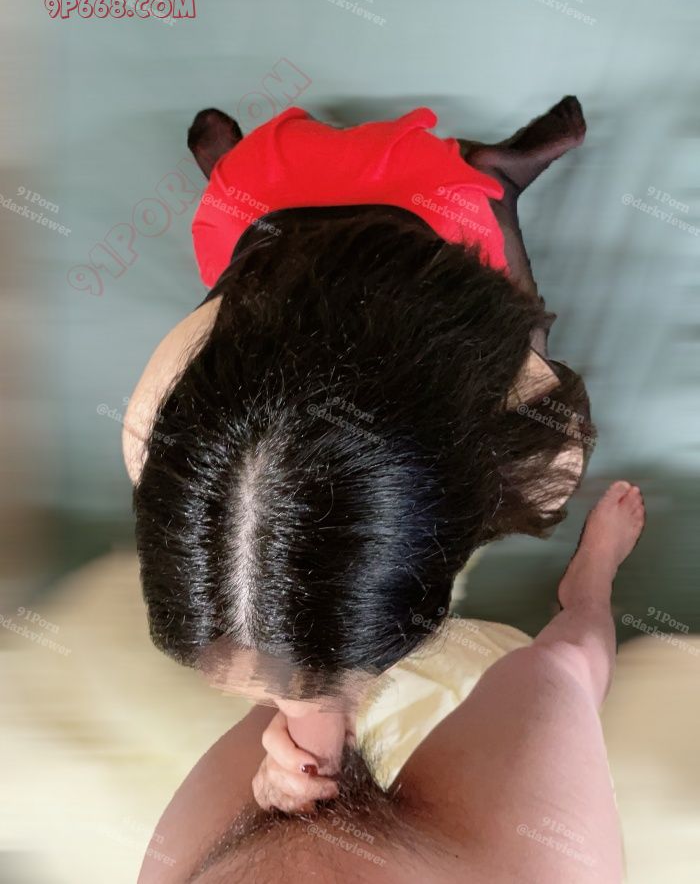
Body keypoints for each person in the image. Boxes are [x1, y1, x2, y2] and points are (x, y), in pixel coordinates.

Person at [124, 96, 594, 701]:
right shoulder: (149, 431)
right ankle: (232, 170)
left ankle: (495, 179)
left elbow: (521, 355)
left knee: (514, 329)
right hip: (266, 193)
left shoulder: (544, 460)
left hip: (418, 199)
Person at [138, 481, 645, 884]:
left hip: (235, 856)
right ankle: (587, 591)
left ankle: (361, 634)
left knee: (296, 693)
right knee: (564, 667)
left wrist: (288, 755)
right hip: (478, 865)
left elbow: (288, 675)